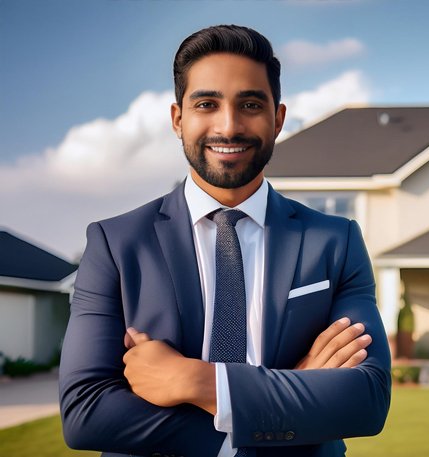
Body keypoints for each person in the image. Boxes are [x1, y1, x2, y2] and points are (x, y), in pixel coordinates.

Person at [59, 24, 391, 457]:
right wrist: (292, 394)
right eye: (207, 104)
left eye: (250, 104)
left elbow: (365, 401)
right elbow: (87, 413)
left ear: (278, 118)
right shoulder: (115, 244)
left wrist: (192, 380)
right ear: (179, 119)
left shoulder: (335, 241)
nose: (229, 126)